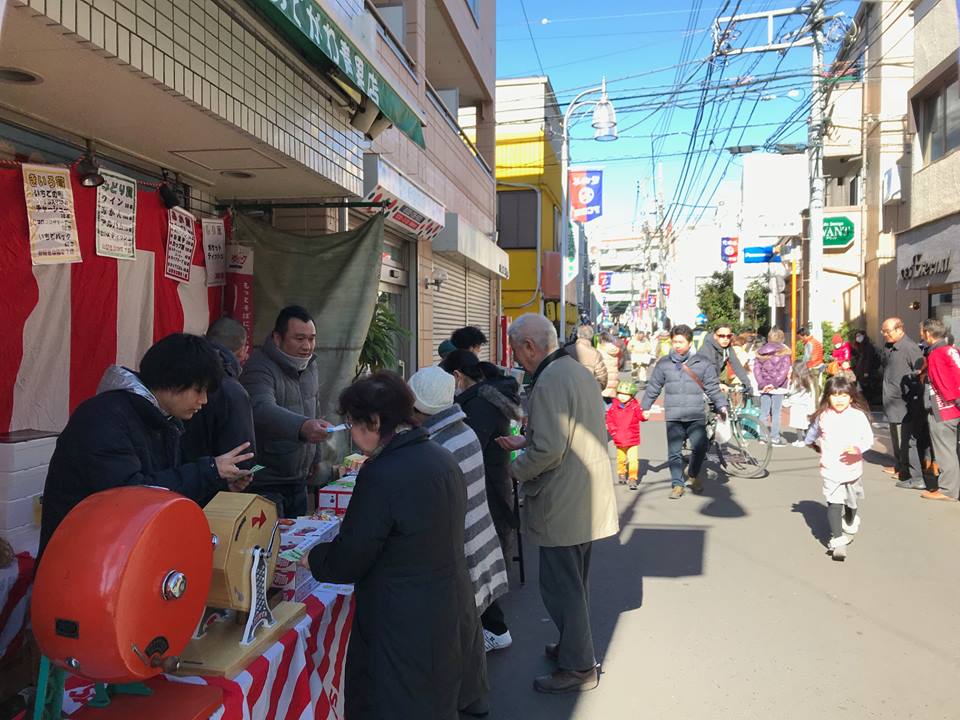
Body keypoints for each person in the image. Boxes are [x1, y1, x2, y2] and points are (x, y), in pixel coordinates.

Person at [301, 372, 478, 720]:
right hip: (444, 608)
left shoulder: (382, 474)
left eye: (353, 423)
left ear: (377, 421)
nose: (351, 433)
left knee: (392, 704)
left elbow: (351, 557)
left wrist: (315, 557)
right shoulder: (439, 457)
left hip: (398, 620)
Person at [38, 334, 254, 562]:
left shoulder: (162, 418)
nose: (204, 401)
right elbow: (129, 496)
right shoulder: (104, 418)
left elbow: (166, 483)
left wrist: (219, 480)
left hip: (122, 556)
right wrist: (210, 470)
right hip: (81, 562)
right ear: (172, 380)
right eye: (198, 390)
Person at [495, 314, 618, 694]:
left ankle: (579, 667)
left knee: (561, 587)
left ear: (530, 346)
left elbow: (548, 450)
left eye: (516, 350)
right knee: (574, 582)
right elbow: (565, 434)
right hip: (585, 493)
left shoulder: (548, 380)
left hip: (563, 497)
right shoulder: (576, 370)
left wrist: (517, 468)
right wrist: (528, 443)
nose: (515, 358)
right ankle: (571, 647)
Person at [408, 366, 502, 713]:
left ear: (419, 408)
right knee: (468, 629)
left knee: (456, 634)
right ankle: (473, 698)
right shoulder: (461, 429)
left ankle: (462, 702)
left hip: (457, 550)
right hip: (473, 539)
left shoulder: (438, 445)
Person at [440, 351, 523, 649]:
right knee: (483, 559)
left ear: (458, 377)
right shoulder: (487, 397)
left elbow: (468, 447)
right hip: (490, 482)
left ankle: (496, 630)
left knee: (479, 561)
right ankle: (492, 626)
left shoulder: (479, 404)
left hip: (484, 487)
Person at [240, 305, 330, 518]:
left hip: (298, 480)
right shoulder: (259, 366)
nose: (307, 346)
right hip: (266, 481)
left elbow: (314, 408)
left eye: (311, 338)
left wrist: (316, 456)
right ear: (277, 338)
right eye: (299, 339)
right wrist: (302, 427)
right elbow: (261, 408)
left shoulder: (310, 366)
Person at [640, 325, 728, 499]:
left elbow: (712, 387)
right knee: (674, 452)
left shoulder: (702, 363)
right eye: (674, 342)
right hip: (674, 415)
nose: (677, 345)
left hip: (695, 413)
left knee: (700, 447)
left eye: (681, 342)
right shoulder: (664, 363)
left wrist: (721, 405)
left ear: (689, 342)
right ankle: (677, 484)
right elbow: (654, 387)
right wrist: (645, 407)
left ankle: (693, 474)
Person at [181, 317, 256, 503]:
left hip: (180, 487)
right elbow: (242, 461)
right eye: (198, 392)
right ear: (243, 350)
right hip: (211, 496)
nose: (202, 400)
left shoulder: (186, 373)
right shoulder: (231, 391)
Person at [803, 375, 873, 560]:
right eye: (835, 395)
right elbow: (810, 435)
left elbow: (868, 439)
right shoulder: (823, 417)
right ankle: (838, 541)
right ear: (827, 397)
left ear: (851, 397)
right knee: (834, 503)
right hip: (830, 468)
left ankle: (850, 521)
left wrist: (857, 448)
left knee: (851, 503)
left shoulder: (858, 416)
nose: (839, 400)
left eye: (844, 395)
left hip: (852, 469)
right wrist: (812, 444)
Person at [879, 317, 926, 489]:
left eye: (887, 331)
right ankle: (899, 465)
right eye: (883, 331)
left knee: (903, 437)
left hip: (903, 401)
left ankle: (906, 470)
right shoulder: (889, 347)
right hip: (890, 398)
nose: (884, 334)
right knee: (895, 434)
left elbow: (920, 370)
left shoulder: (909, 347)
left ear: (900, 329)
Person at [918, 319, 960, 502]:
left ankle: (948, 490)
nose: (921, 335)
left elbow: (942, 384)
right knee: (951, 449)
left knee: (945, 450)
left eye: (922, 332)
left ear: (928, 334)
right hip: (954, 407)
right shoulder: (952, 350)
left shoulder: (936, 354)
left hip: (945, 408)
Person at [753, 328, 793, 446]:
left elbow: (756, 371)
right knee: (776, 413)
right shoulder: (784, 353)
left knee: (764, 412)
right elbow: (784, 371)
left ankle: (762, 437)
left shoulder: (760, 352)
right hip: (778, 387)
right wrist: (774, 384)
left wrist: (763, 384)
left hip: (764, 387)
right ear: (781, 338)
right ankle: (775, 437)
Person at [606, 381, 644, 490]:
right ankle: (621, 473)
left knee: (633, 460)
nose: (622, 397)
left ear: (631, 396)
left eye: (625, 395)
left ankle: (632, 477)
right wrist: (613, 432)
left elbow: (640, 416)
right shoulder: (614, 406)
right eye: (620, 394)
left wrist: (645, 416)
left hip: (632, 438)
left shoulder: (635, 406)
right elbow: (609, 420)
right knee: (621, 459)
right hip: (619, 438)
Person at [696, 324, 753, 391]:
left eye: (729, 336)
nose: (726, 339)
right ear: (715, 336)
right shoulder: (707, 349)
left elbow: (736, 365)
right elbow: (709, 371)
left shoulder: (727, 348)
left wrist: (748, 384)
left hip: (713, 382)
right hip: (700, 383)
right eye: (722, 336)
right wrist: (718, 384)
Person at [784, 360, 818, 447]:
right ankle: (808, 439)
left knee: (798, 424)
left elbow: (790, 391)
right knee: (806, 423)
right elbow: (813, 393)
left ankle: (800, 441)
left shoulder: (796, 381)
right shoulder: (809, 379)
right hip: (806, 404)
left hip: (796, 405)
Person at [564, 324, 608, 391]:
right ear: (591, 336)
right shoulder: (595, 353)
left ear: (578, 335)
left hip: (568, 391)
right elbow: (602, 378)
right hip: (588, 392)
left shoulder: (566, 350)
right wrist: (595, 390)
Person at [598, 332, 622, 403]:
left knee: (603, 401)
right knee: (610, 400)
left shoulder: (600, 350)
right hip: (613, 379)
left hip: (603, 378)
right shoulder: (615, 349)